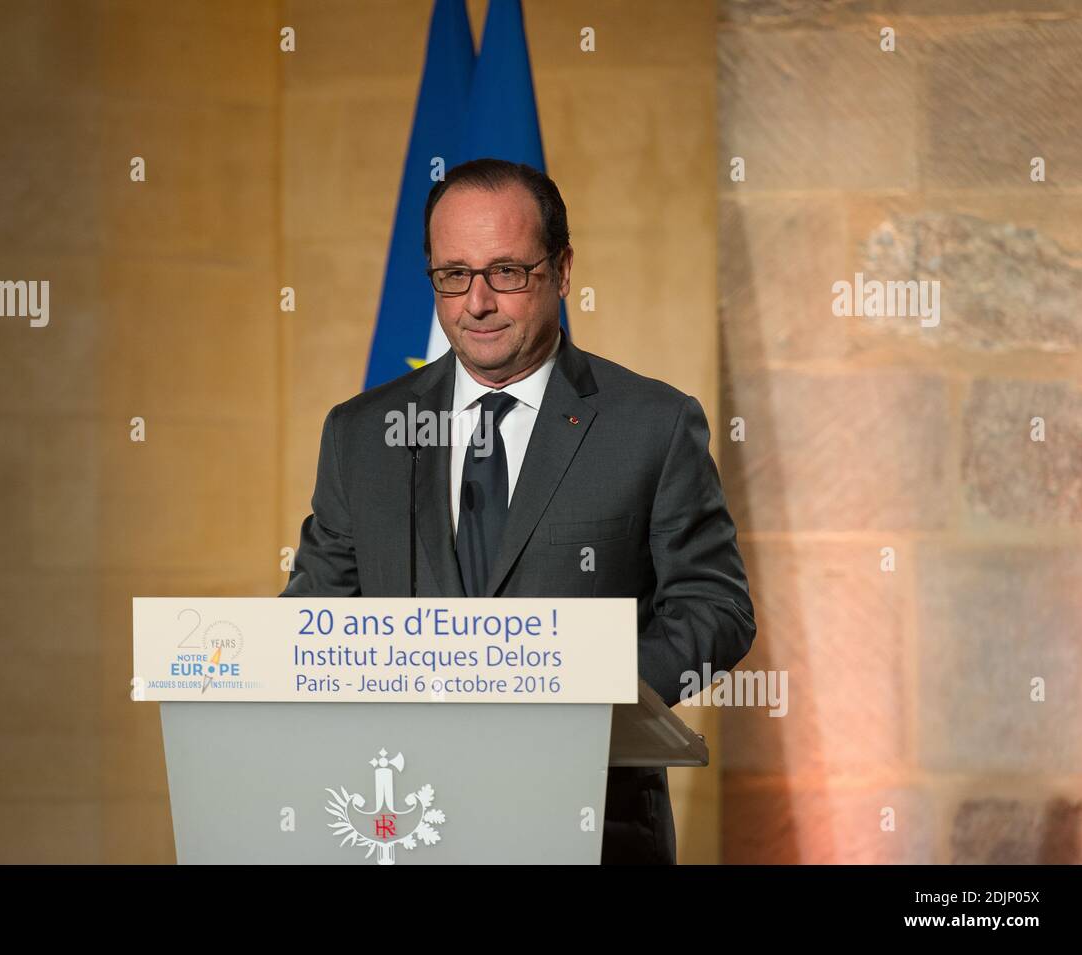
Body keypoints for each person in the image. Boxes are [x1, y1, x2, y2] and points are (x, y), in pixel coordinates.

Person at [281, 157, 756, 864]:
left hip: (594, 823)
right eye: (453, 275)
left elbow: (717, 608)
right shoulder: (360, 434)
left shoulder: (651, 424)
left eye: (506, 272)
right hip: (406, 821)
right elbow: (314, 619)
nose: (476, 303)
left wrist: (589, 693)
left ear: (562, 271)